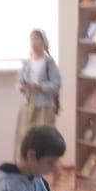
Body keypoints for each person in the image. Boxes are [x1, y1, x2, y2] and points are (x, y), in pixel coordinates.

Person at [14, 29, 61, 162]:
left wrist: (40, 86)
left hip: (44, 107)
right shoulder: (27, 62)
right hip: (29, 106)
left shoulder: (49, 62)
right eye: (32, 39)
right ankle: (27, 167)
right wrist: (23, 86)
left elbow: (56, 85)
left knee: (44, 141)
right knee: (26, 139)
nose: (34, 42)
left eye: (37, 38)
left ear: (44, 42)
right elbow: (18, 83)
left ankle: (50, 167)